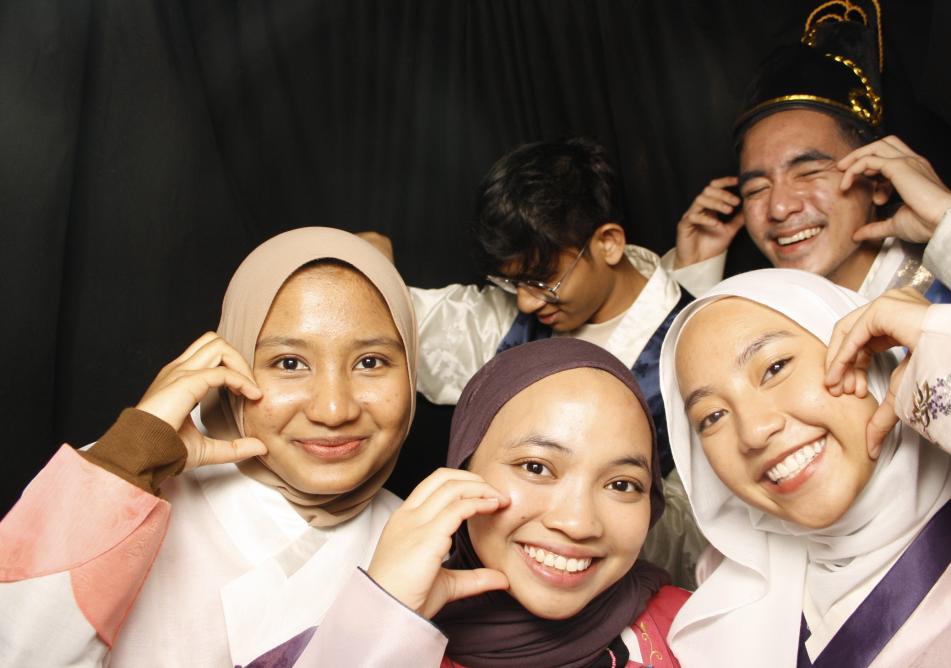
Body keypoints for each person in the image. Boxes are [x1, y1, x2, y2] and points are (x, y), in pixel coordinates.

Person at [0, 228, 417, 667]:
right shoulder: (116, 481)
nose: (333, 410)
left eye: (370, 362)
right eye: (290, 363)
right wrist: (128, 458)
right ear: (232, 362)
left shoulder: (421, 542)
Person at [365, 137, 714, 587]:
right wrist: (369, 256)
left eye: (544, 280)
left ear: (608, 243)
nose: (527, 303)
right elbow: (388, 316)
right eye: (514, 284)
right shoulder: (504, 319)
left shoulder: (694, 350)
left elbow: (701, 533)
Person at [248, 338, 690, 668]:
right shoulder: (338, 644)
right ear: (463, 466)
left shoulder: (698, 631)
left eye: (622, 484)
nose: (577, 522)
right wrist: (380, 618)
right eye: (536, 467)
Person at [658, 268, 951, 666]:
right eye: (712, 416)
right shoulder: (727, 612)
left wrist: (945, 338)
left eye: (775, 368)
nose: (753, 432)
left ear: (867, 354)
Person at [676, 0, 951, 307]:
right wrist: (695, 277)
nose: (779, 208)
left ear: (878, 181)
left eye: (808, 173)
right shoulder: (769, 313)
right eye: (756, 189)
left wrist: (948, 220)